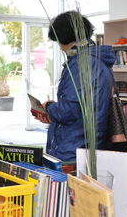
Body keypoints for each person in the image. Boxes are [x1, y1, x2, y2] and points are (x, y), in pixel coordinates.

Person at [34, 11, 114, 161]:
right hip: (90, 145)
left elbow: (68, 111)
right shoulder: (100, 62)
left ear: (62, 37)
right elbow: (84, 109)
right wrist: (52, 117)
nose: (60, 47)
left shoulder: (80, 64)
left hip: (73, 149)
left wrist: (48, 107)